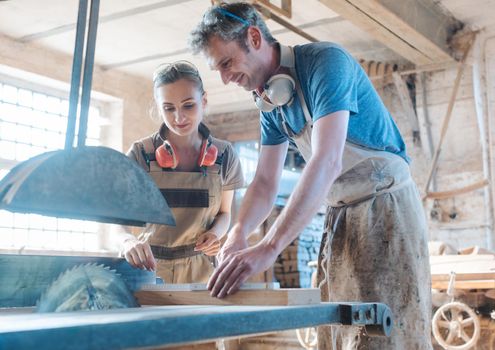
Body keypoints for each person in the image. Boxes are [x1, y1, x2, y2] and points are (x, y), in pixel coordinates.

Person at [189, 2, 432, 349]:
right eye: (219, 70)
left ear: (254, 37)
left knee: (389, 331)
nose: (226, 78)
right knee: (337, 330)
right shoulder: (270, 102)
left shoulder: (325, 63)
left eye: (227, 63)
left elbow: (327, 160)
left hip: (386, 206)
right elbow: (265, 182)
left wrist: (270, 246)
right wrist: (240, 234)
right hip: (340, 214)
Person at [121, 60, 244, 284]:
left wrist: (215, 234)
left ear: (204, 100)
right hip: (149, 270)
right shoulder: (140, 154)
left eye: (188, 105)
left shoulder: (225, 155)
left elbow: (225, 214)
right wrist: (127, 241)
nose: (179, 118)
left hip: (203, 272)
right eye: (169, 108)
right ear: (159, 108)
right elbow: (117, 219)